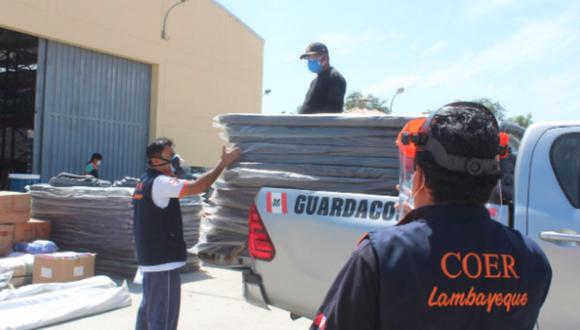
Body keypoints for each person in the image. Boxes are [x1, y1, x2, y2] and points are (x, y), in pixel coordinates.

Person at [310, 102, 552, 330]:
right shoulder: (532, 259)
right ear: (491, 183)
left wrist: (405, 235)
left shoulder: (380, 255)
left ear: (420, 177)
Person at [132, 137, 240, 330]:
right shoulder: (161, 182)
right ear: (155, 160)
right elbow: (199, 187)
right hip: (162, 262)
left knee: (148, 313)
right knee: (162, 318)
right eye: (169, 156)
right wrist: (222, 163)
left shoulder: (144, 181)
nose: (174, 159)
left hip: (151, 260)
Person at [299, 42, 346, 114]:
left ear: (324, 57)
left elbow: (334, 109)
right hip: (307, 125)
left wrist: (314, 123)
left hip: (319, 125)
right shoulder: (314, 81)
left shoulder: (334, 77)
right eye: (308, 59)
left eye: (312, 58)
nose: (309, 62)